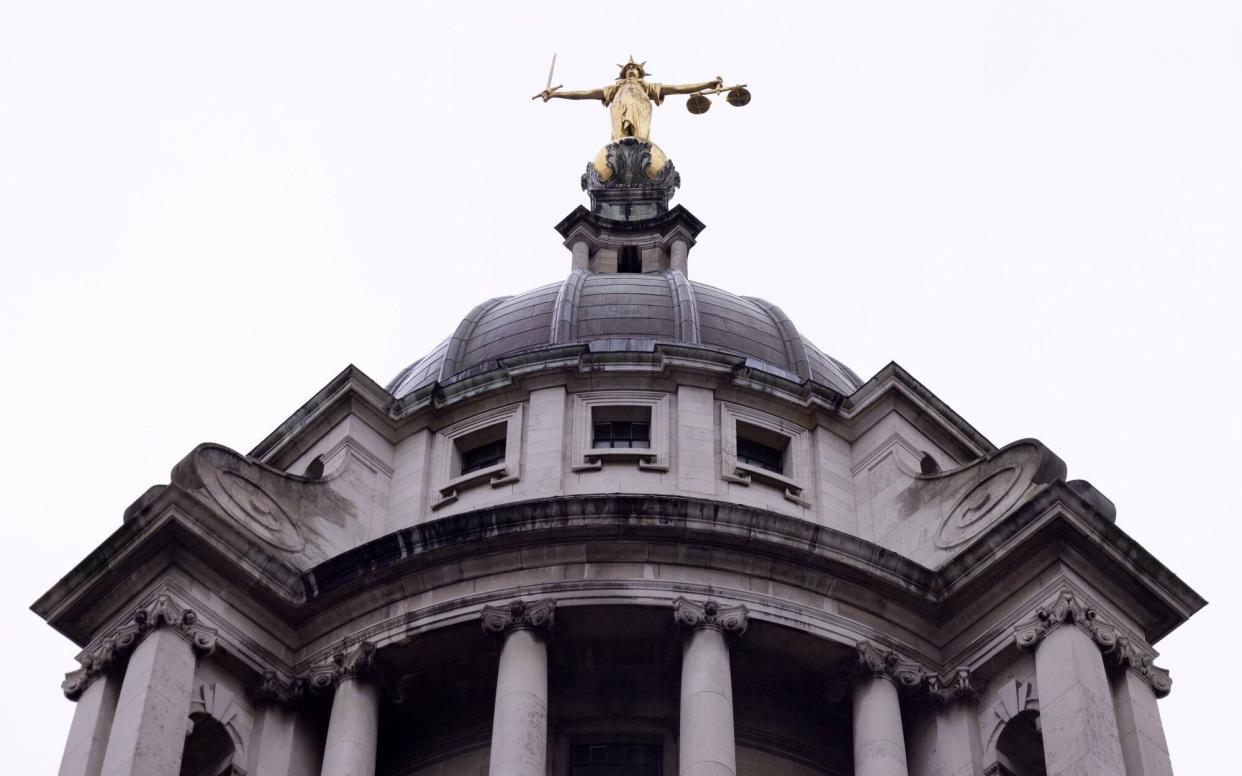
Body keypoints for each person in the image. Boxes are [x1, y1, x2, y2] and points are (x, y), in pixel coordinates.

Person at [540, 58, 723, 142]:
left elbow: (678, 88)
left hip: (641, 110)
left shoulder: (647, 87)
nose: (631, 69)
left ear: (641, 72)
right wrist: (556, 94)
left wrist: (707, 84)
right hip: (619, 111)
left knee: (639, 142)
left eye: (635, 68)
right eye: (628, 68)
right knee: (620, 142)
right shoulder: (614, 89)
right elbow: (585, 93)